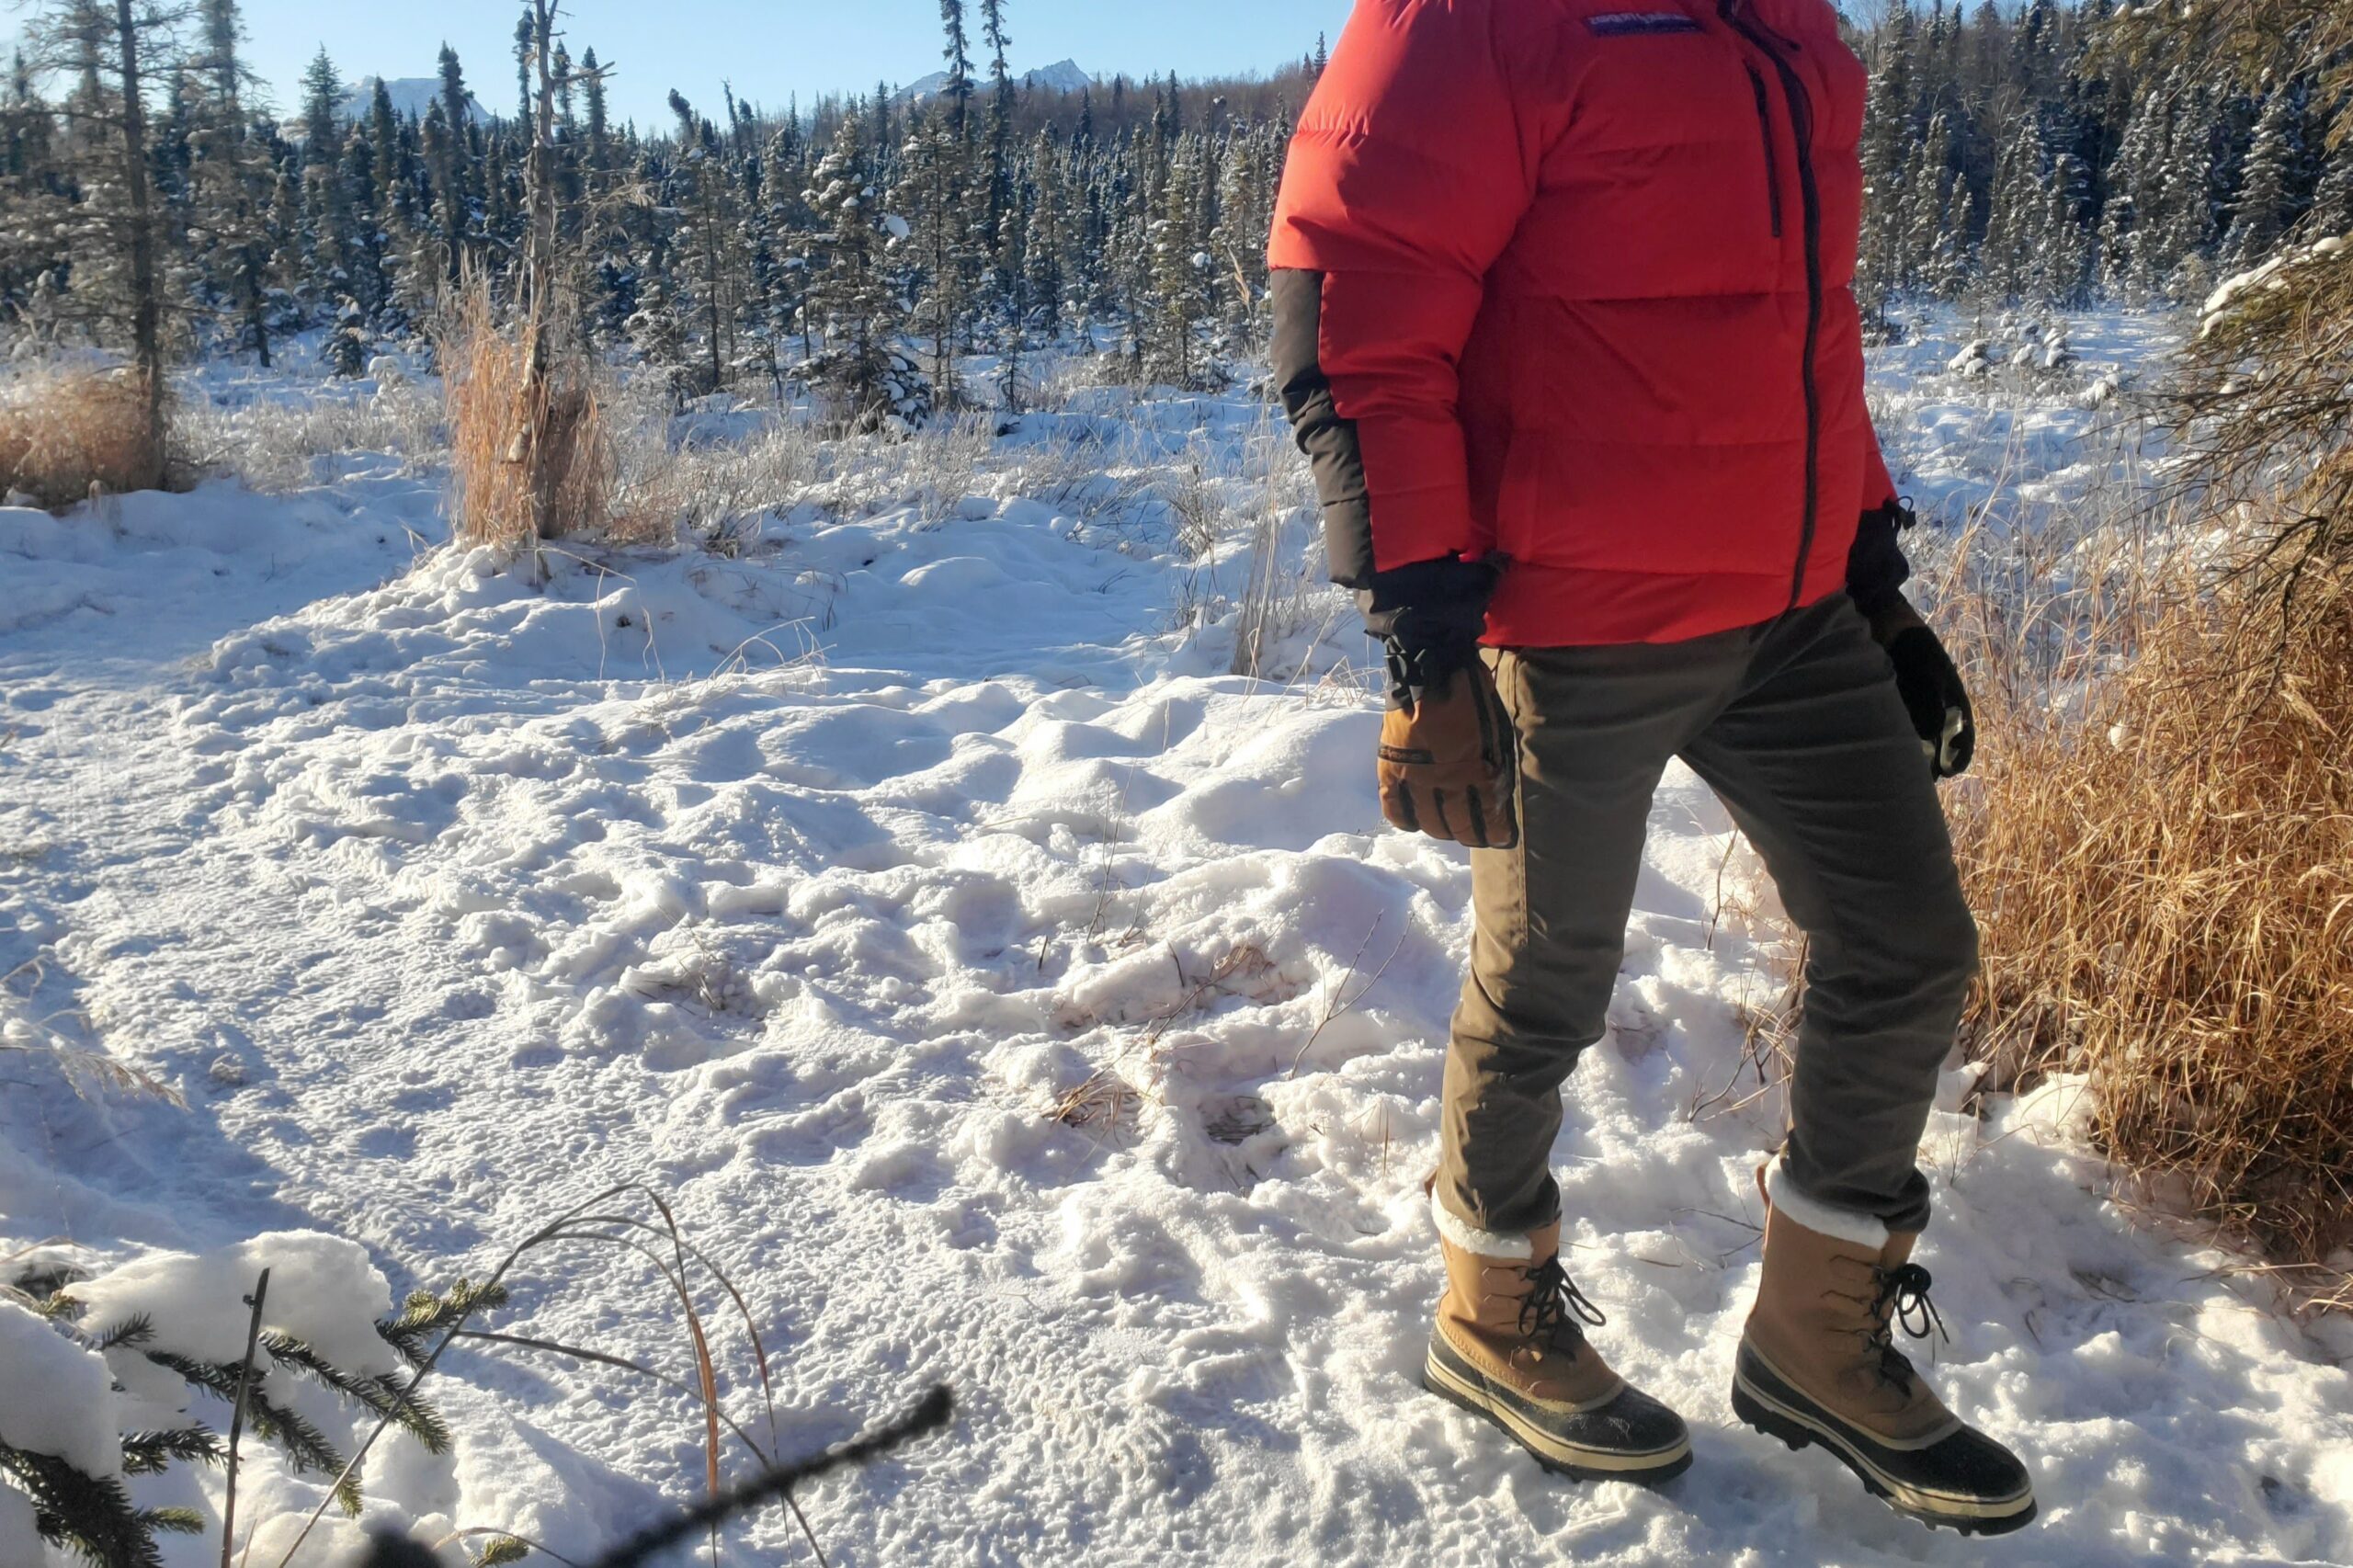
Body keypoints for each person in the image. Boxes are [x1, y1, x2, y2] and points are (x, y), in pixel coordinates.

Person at [1267, 0, 2036, 1537]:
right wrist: (1428, 646)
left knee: (1908, 943)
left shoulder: (1788, 24)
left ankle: (1815, 1331)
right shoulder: (1471, 18)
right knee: (1549, 973)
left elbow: (1797, 320)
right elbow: (1353, 316)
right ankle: (1488, 1307)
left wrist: (1870, 575)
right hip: (1572, 620)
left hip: (1796, 613)